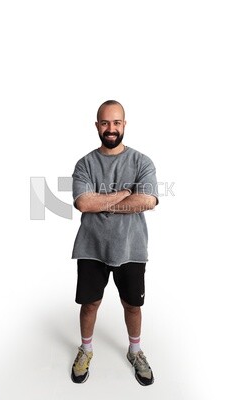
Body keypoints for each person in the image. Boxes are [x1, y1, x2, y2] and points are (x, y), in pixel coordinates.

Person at [71, 100, 159, 386]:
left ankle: (135, 351)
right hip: (91, 247)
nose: (111, 128)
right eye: (105, 123)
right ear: (97, 126)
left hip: (131, 247)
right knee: (90, 303)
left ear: (124, 125)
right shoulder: (85, 164)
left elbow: (147, 200)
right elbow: (84, 202)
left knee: (132, 305)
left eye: (116, 122)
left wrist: (104, 203)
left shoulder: (141, 162)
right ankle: (86, 349)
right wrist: (123, 194)